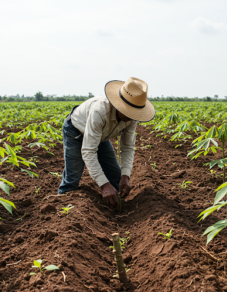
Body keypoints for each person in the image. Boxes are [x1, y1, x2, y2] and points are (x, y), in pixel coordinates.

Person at [58, 77, 155, 207]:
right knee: (73, 177)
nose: (131, 117)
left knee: (116, 175)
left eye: (134, 113)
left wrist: (125, 176)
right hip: (75, 131)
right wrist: (104, 185)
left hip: (100, 135)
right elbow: (88, 151)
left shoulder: (132, 118)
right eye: (128, 112)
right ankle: (62, 210)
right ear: (118, 105)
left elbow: (127, 147)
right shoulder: (100, 111)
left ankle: (116, 205)